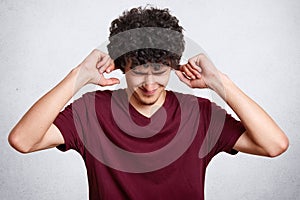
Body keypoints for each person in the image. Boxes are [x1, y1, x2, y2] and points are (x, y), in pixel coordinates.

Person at [8, 6, 288, 200]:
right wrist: (77, 77)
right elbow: (23, 140)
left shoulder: (198, 114)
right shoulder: (92, 111)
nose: (150, 83)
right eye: (139, 71)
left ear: (172, 66)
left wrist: (219, 82)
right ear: (122, 67)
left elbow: (274, 145)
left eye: (160, 71)